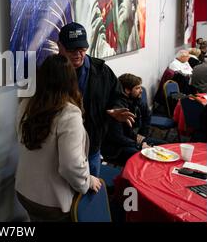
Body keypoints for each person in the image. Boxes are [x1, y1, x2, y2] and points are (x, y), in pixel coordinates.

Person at [15, 54, 102, 222]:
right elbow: (71, 166)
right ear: (71, 80)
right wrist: (87, 181)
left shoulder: (26, 104)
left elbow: (22, 140)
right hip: (51, 202)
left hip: (25, 191)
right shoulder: (69, 114)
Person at [56, 22, 134, 177]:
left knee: (91, 193)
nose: (78, 54)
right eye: (72, 49)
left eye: (82, 49)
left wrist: (116, 108)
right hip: (62, 149)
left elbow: (118, 96)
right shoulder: (51, 73)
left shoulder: (101, 71)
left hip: (93, 146)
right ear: (60, 46)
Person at [102, 74, 167, 165]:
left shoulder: (136, 100)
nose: (141, 91)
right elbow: (117, 137)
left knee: (165, 145)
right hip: (117, 148)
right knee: (148, 158)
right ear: (127, 90)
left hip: (132, 139)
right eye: (137, 88)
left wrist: (142, 135)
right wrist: (139, 145)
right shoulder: (117, 108)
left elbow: (147, 117)